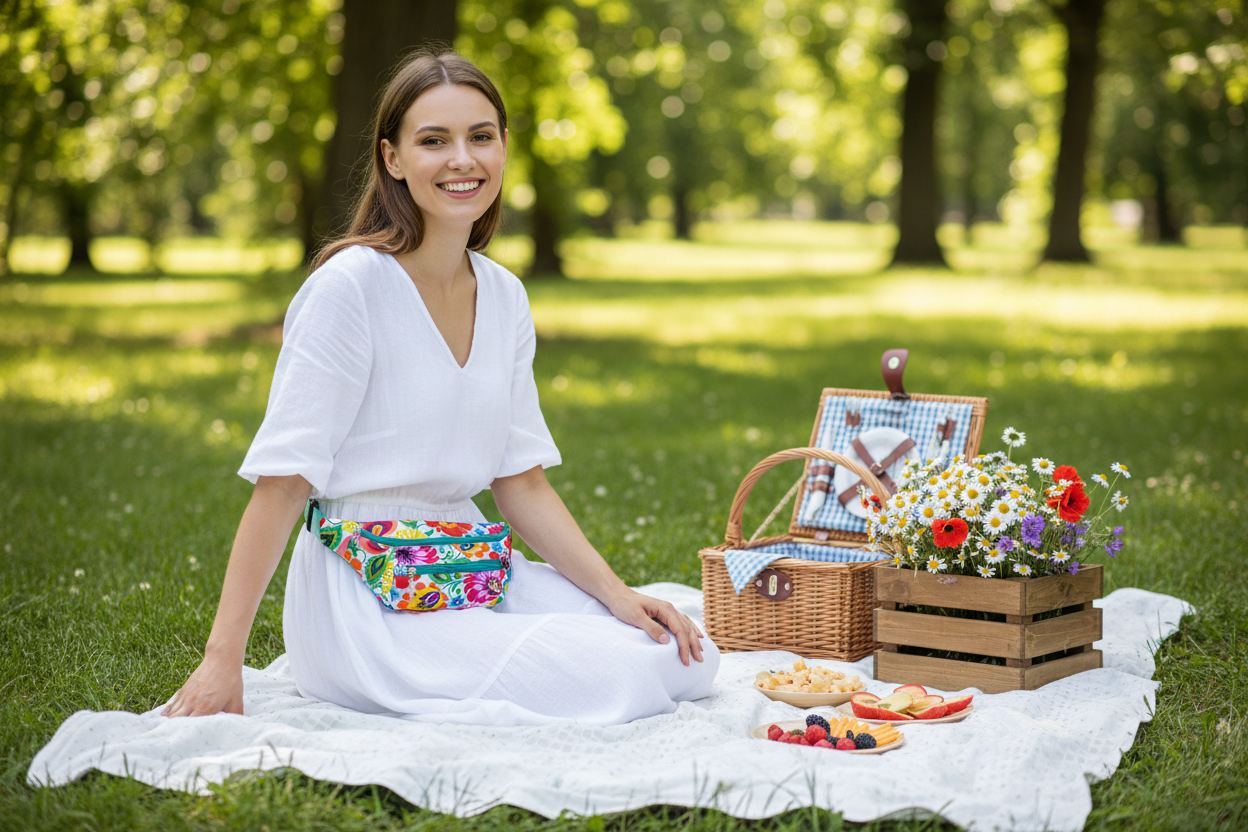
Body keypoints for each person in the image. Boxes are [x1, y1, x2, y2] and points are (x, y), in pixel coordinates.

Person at [160, 50, 719, 726]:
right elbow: (283, 483)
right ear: (393, 158)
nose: (463, 159)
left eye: (480, 136)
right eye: (434, 141)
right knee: (626, 674)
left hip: (469, 566)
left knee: (682, 654)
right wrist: (223, 658)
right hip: (364, 597)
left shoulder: (505, 296)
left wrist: (617, 596)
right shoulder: (350, 287)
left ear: (504, 147)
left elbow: (522, 482)